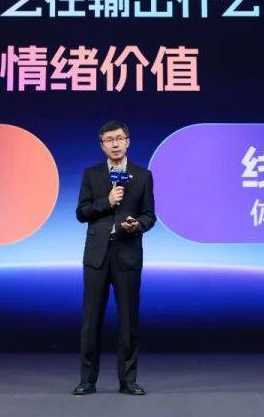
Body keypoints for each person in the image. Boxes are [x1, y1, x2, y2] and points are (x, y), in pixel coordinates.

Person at [72, 120, 156, 395]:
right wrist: (106, 202)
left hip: (127, 255)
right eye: (109, 140)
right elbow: (82, 212)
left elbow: (149, 215)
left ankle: (128, 381)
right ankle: (87, 380)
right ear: (102, 146)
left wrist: (137, 225)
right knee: (91, 321)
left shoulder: (142, 176)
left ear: (128, 141)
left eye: (119, 138)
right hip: (96, 256)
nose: (115, 144)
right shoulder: (91, 175)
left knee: (129, 322)